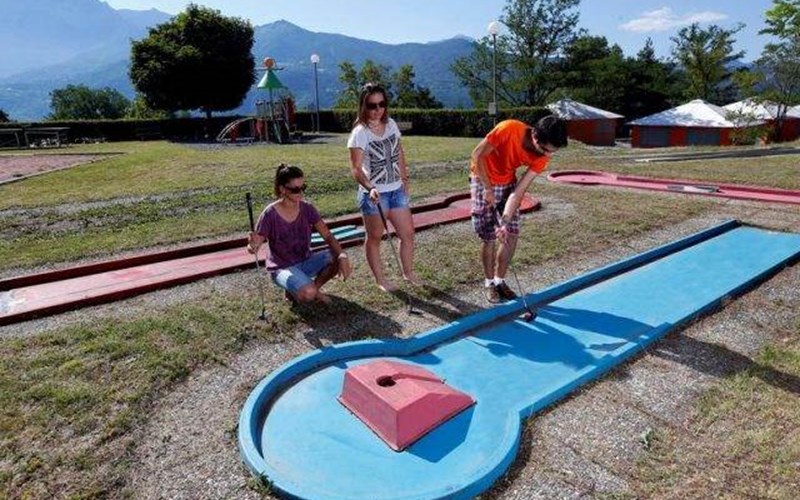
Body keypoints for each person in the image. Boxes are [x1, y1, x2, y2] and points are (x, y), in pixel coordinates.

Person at [469, 115, 568, 303]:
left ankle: (500, 281)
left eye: (552, 152)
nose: (547, 155)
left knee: (511, 233)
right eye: (545, 150)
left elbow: (518, 191)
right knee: (489, 236)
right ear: (535, 136)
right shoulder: (509, 129)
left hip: (507, 180)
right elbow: (477, 155)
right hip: (482, 176)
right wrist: (488, 188)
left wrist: (505, 221)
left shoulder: (542, 158)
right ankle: (489, 283)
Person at [347, 83, 421, 292]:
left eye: (382, 104)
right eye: (372, 105)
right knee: (375, 239)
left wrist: (405, 179)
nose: (377, 109)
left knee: (407, 233)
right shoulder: (360, 133)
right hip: (375, 195)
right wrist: (370, 187)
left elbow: (399, 152)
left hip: (396, 190)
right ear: (363, 106)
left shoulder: (391, 125)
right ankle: (380, 280)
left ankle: (408, 273)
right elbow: (355, 169)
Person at [247, 164, 352, 304]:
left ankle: (311, 289)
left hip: (305, 260)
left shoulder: (307, 208)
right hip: (281, 267)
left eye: (303, 187)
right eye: (295, 189)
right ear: (282, 189)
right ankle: (307, 290)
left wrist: (342, 255)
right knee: (308, 294)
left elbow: (327, 235)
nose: (300, 193)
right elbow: (254, 247)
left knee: (336, 255)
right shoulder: (269, 214)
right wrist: (252, 244)